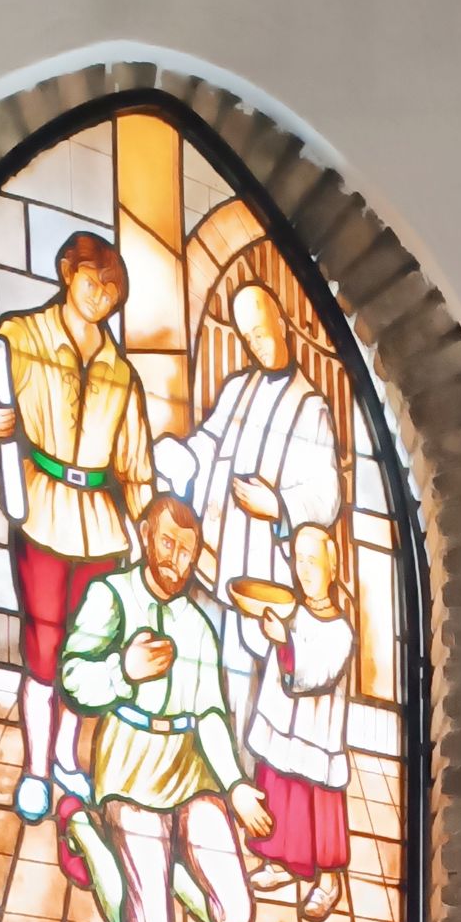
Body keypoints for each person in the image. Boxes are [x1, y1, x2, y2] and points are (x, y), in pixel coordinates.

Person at [0, 232, 154, 823]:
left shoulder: (122, 373)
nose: (101, 297)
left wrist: (150, 537)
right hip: (41, 511)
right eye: (93, 281)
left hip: (102, 528)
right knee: (43, 650)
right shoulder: (22, 336)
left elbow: (136, 465)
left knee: (86, 653)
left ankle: (67, 756)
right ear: (68, 273)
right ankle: (36, 769)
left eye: (113, 290)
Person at [56, 494, 273, 922]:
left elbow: (211, 714)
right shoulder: (110, 596)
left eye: (187, 553)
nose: (176, 561)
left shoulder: (196, 625)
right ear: (145, 536)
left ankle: (167, 856)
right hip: (131, 770)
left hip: (190, 772)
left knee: (236, 920)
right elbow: (72, 677)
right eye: (168, 543)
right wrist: (123, 671)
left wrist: (234, 786)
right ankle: (83, 828)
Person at [155, 281, 343, 741]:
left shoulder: (310, 408)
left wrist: (276, 506)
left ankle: (237, 787)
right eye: (247, 336)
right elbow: (209, 443)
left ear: (281, 323)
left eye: (261, 331)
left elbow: (327, 494)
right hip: (215, 566)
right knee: (204, 677)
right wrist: (183, 458)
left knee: (244, 688)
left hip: (263, 581)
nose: (255, 343)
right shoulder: (238, 390)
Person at [243, 524, 356, 922]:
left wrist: (285, 642)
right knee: (278, 791)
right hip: (280, 724)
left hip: (315, 734)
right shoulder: (292, 611)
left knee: (317, 806)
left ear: (332, 566)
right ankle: (278, 863)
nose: (305, 570)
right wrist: (269, 632)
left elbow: (317, 672)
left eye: (313, 561)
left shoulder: (340, 630)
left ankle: (328, 880)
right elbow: (264, 654)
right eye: (299, 560)